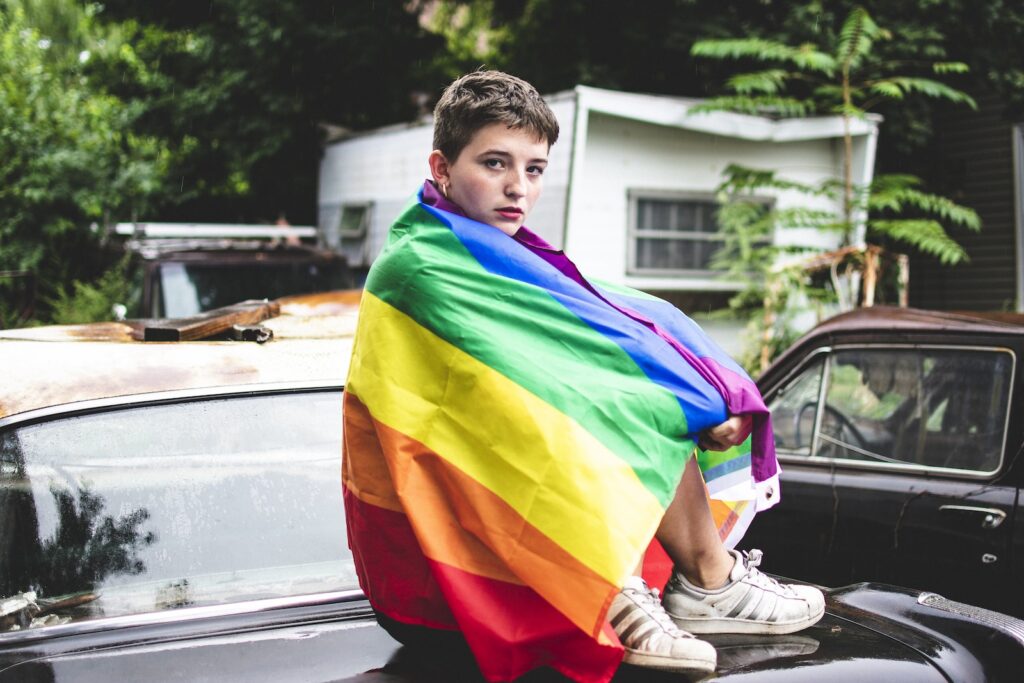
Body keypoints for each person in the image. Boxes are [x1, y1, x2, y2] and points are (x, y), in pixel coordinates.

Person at [343, 70, 824, 682]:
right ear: (441, 168)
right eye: (495, 163)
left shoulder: (501, 252)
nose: (518, 187)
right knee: (586, 409)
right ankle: (609, 586)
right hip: (431, 587)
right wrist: (685, 401)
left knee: (646, 400)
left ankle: (708, 583)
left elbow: (620, 320)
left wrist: (708, 393)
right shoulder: (419, 266)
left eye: (535, 169)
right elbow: (539, 390)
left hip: (501, 540)